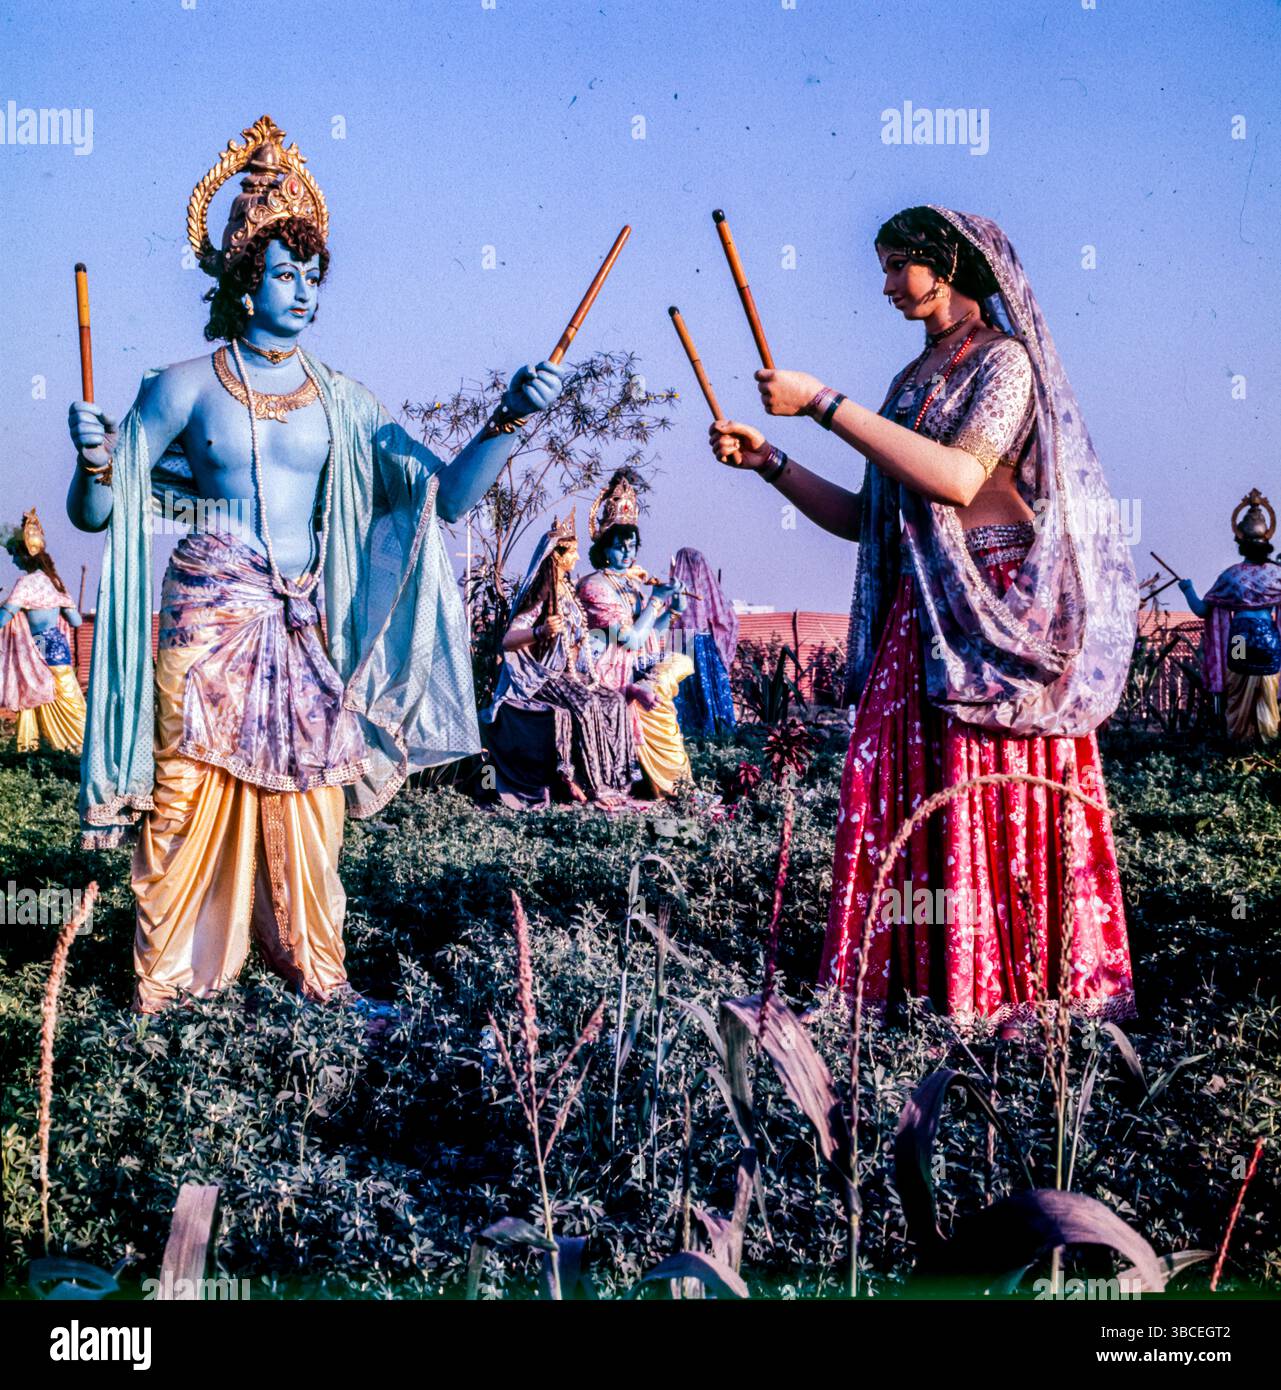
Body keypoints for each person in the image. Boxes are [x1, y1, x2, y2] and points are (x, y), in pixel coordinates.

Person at [66, 116, 564, 1013]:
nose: (304, 293)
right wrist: (95, 460)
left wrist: (508, 419)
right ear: (239, 279)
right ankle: (164, 987)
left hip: (303, 624)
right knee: (182, 807)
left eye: (313, 277)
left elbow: (445, 500)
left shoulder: (348, 404)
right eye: (284, 274)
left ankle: (315, 973)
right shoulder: (178, 386)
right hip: (206, 618)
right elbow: (99, 513)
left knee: (312, 812)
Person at [709, 205, 1138, 1025]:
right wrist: (769, 461)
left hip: (989, 600)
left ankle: (1011, 994)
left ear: (943, 263)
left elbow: (954, 479)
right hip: (920, 611)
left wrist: (823, 402)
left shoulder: (1004, 362)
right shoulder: (910, 382)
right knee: (914, 795)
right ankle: (932, 989)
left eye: (895, 265)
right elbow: (861, 517)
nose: (882, 286)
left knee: (981, 781)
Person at [483, 510, 636, 807]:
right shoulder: (543, 590)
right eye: (572, 553)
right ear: (556, 556)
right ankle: (594, 786)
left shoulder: (567, 589)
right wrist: (540, 631)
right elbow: (508, 640)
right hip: (541, 677)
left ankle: (617, 780)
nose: (577, 559)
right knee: (586, 704)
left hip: (570, 674)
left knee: (614, 701)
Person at [575, 470, 695, 797]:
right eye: (619, 547)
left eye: (632, 546)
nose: (627, 554)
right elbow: (628, 638)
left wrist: (672, 609)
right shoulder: (593, 585)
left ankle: (675, 785)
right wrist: (657, 601)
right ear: (603, 548)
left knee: (671, 677)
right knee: (654, 705)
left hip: (632, 664)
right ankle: (669, 786)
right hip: (603, 670)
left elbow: (651, 636)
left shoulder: (631, 585)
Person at [1179, 489, 1281, 743]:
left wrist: (1187, 589)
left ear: (1240, 543)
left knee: (1236, 689)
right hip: (1269, 639)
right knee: (1268, 690)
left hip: (1239, 640)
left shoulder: (1231, 576)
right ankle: (1268, 739)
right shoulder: (1277, 575)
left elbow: (1202, 610)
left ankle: (1238, 739)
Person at [0, 508, 86, 753]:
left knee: (42, 698)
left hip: (39, 651)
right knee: (66, 700)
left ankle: (60, 747)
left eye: (15, 555)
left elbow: (5, 616)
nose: (14, 561)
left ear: (26, 555)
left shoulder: (26, 584)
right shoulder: (54, 581)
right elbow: (77, 621)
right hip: (59, 648)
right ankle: (39, 749)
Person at [669, 547, 738, 738]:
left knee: (682, 690)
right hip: (702, 644)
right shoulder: (706, 589)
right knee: (707, 691)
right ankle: (715, 738)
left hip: (677, 643)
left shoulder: (672, 590)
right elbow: (724, 618)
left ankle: (683, 735)